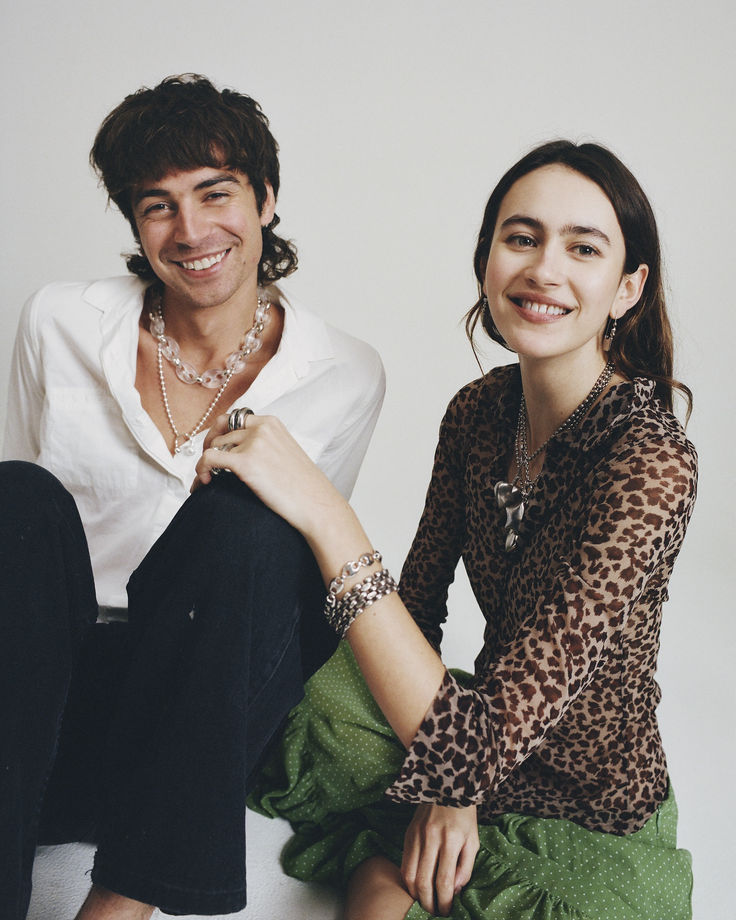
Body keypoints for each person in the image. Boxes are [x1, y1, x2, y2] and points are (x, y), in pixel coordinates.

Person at [193, 140, 698, 920]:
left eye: (583, 248)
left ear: (628, 288)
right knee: (298, 674)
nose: (543, 269)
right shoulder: (478, 412)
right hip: (467, 733)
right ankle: (398, 843)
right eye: (521, 238)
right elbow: (415, 612)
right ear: (487, 260)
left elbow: (485, 735)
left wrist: (326, 511)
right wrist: (446, 780)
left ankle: (399, 847)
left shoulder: (651, 461)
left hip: (584, 809)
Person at [0, 74, 384, 920]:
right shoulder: (57, 322)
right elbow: (29, 557)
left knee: (251, 526)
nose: (192, 231)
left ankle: (120, 905)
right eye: (158, 206)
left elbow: (284, 587)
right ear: (134, 224)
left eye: (217, 195)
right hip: (59, 699)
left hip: (203, 703)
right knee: (18, 498)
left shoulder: (343, 372)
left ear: (267, 200)